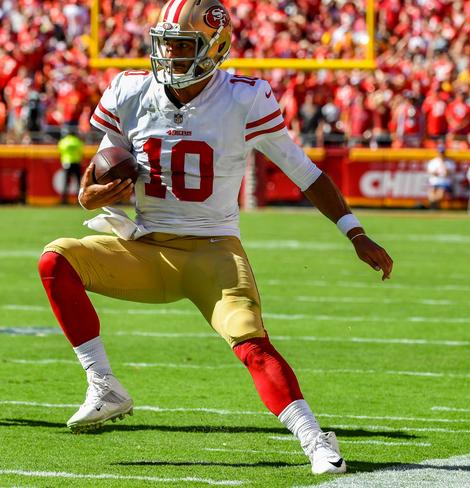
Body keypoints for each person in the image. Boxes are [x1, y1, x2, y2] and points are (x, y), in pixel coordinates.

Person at [38, 0, 393, 476]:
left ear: (214, 48)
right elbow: (91, 186)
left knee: (251, 342)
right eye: (166, 45)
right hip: (145, 248)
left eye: (183, 47)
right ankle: (103, 384)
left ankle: (314, 437)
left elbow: (304, 172)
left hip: (213, 252)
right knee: (56, 260)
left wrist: (355, 232)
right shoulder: (129, 91)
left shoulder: (245, 98)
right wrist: (94, 194)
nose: (171, 57)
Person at [57, 130, 84, 204]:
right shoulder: (77, 141)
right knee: (78, 183)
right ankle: (79, 200)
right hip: (76, 163)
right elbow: (80, 151)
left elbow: (60, 150)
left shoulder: (63, 141)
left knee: (66, 182)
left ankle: (64, 200)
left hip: (66, 163)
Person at [425, 144, 456, 209]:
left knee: (440, 193)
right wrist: (437, 173)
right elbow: (430, 172)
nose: (441, 154)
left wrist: (443, 164)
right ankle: (434, 208)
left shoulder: (449, 162)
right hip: (434, 182)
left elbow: (448, 173)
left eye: (442, 152)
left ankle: (433, 206)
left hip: (444, 182)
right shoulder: (433, 161)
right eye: (440, 152)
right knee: (431, 192)